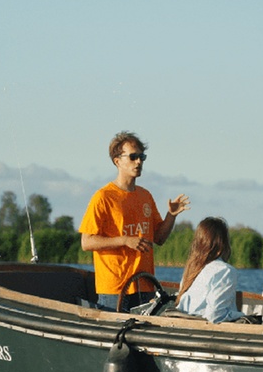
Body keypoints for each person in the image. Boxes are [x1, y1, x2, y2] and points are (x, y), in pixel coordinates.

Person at [79, 132, 190, 311]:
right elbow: (87, 242)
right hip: (114, 289)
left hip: (144, 285)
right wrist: (125, 240)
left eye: (141, 157)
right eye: (133, 157)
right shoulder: (103, 197)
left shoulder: (145, 196)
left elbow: (159, 238)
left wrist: (171, 215)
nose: (138, 162)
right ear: (117, 161)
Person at [175, 217, 244, 323]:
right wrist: (241, 316)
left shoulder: (191, 270)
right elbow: (215, 316)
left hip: (185, 326)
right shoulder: (225, 271)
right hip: (203, 330)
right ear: (223, 244)